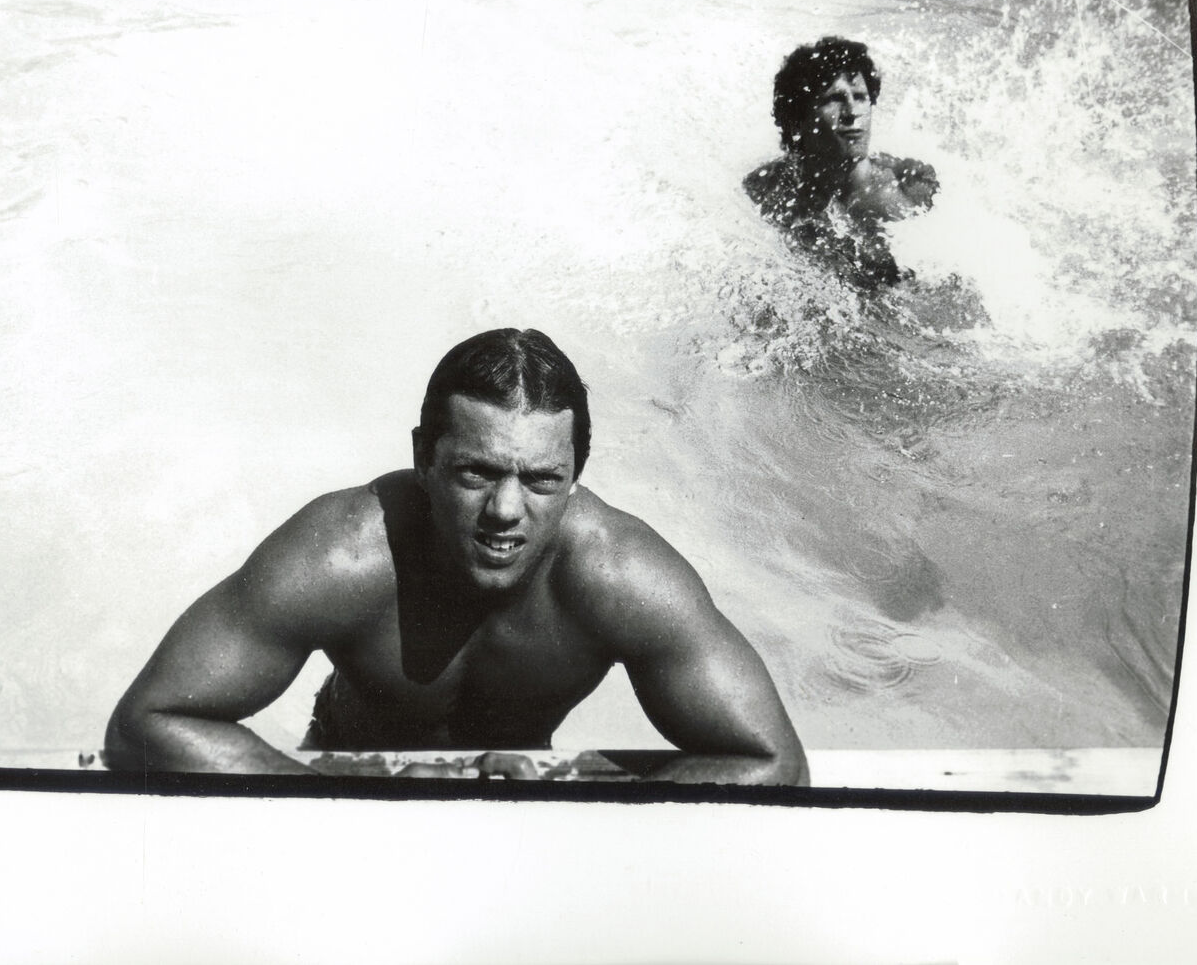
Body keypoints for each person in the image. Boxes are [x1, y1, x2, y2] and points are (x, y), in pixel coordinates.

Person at [105, 328, 807, 784]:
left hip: (526, 794)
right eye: (477, 473)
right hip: (342, 773)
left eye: (539, 480)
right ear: (424, 459)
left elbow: (774, 764)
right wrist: (331, 798)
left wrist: (602, 800)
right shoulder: (344, 555)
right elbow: (147, 723)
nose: (506, 511)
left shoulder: (621, 577)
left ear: (576, 474)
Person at [744, 37, 938, 288]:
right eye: (834, 98)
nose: (852, 112)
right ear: (797, 119)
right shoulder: (765, 188)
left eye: (860, 97)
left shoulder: (909, 190)